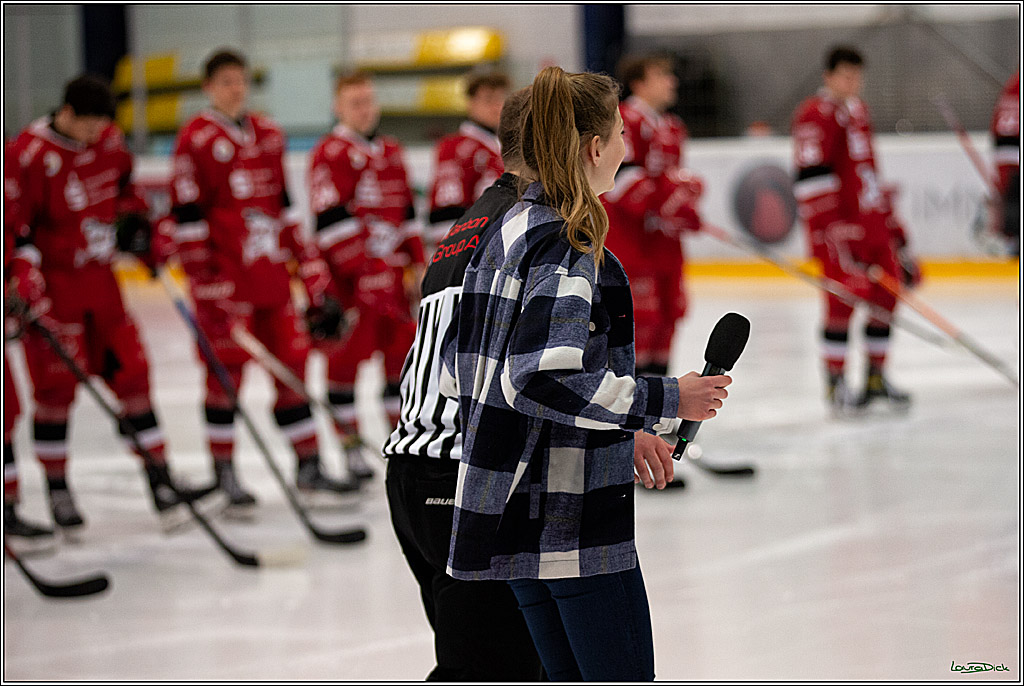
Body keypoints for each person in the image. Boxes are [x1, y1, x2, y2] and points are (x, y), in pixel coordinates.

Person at [439, 66, 732, 681]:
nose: (626, 148)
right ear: (595, 149)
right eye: (621, 134)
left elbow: (462, 369)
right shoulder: (565, 246)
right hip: (567, 524)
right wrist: (666, 397)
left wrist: (613, 431)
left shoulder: (505, 228)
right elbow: (539, 378)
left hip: (512, 512)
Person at [381, 86, 543, 682]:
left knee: (487, 661)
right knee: (489, 668)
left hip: (417, 472)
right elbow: (525, 373)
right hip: (460, 476)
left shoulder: (475, 217)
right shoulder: (532, 225)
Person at [3, 75, 212, 530]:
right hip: (56, 295)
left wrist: (141, 232)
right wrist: (22, 284)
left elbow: (126, 197)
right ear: (68, 115)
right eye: (91, 125)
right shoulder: (29, 156)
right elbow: (17, 229)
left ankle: (160, 481)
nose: (99, 134)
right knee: (56, 394)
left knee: (134, 377)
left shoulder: (111, 144)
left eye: (104, 125)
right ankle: (58, 491)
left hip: (105, 290)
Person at [168, 49, 356, 512]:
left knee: (291, 371)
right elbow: (187, 219)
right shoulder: (195, 140)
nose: (236, 89)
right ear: (208, 87)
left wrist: (310, 273)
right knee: (224, 381)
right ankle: (225, 472)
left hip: (271, 283)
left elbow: (286, 209)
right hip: (226, 288)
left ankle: (308, 467)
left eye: (241, 80)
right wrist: (205, 283)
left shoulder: (268, 133)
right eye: (226, 81)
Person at [308, 71, 423, 477]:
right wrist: (364, 272)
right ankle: (351, 450)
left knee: (401, 368)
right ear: (338, 107)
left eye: (370, 101)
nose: (365, 109)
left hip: (392, 282)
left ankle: (403, 446)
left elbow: (407, 215)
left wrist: (419, 264)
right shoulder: (330, 153)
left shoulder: (391, 151)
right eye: (356, 102)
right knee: (344, 370)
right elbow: (330, 222)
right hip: (351, 286)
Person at [791, 46, 918, 414]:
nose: (852, 82)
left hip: (872, 225)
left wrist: (893, 226)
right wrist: (831, 230)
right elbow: (810, 177)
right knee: (842, 302)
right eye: (845, 74)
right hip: (840, 230)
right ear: (828, 76)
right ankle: (836, 385)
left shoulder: (859, 111)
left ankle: (876, 380)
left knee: (885, 297)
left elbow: (869, 172)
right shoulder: (814, 114)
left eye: (856, 75)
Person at [602, 53, 704, 379]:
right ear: (639, 83)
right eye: (662, 75)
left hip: (665, 245)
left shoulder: (673, 126)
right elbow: (620, 179)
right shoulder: (623, 120)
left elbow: (672, 180)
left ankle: (656, 410)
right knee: (639, 326)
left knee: (667, 320)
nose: (671, 81)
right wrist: (668, 205)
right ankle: (632, 414)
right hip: (630, 244)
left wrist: (684, 202)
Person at [425, 70, 510, 249]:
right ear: (471, 103)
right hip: (473, 252)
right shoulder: (454, 147)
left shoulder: (508, 145)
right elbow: (444, 213)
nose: (496, 107)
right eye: (488, 100)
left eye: (500, 99)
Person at [991, 70, 1019, 257]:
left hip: (1002, 150)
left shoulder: (1011, 87)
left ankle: (1012, 238)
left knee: (1010, 196)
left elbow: (996, 123)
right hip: (1016, 148)